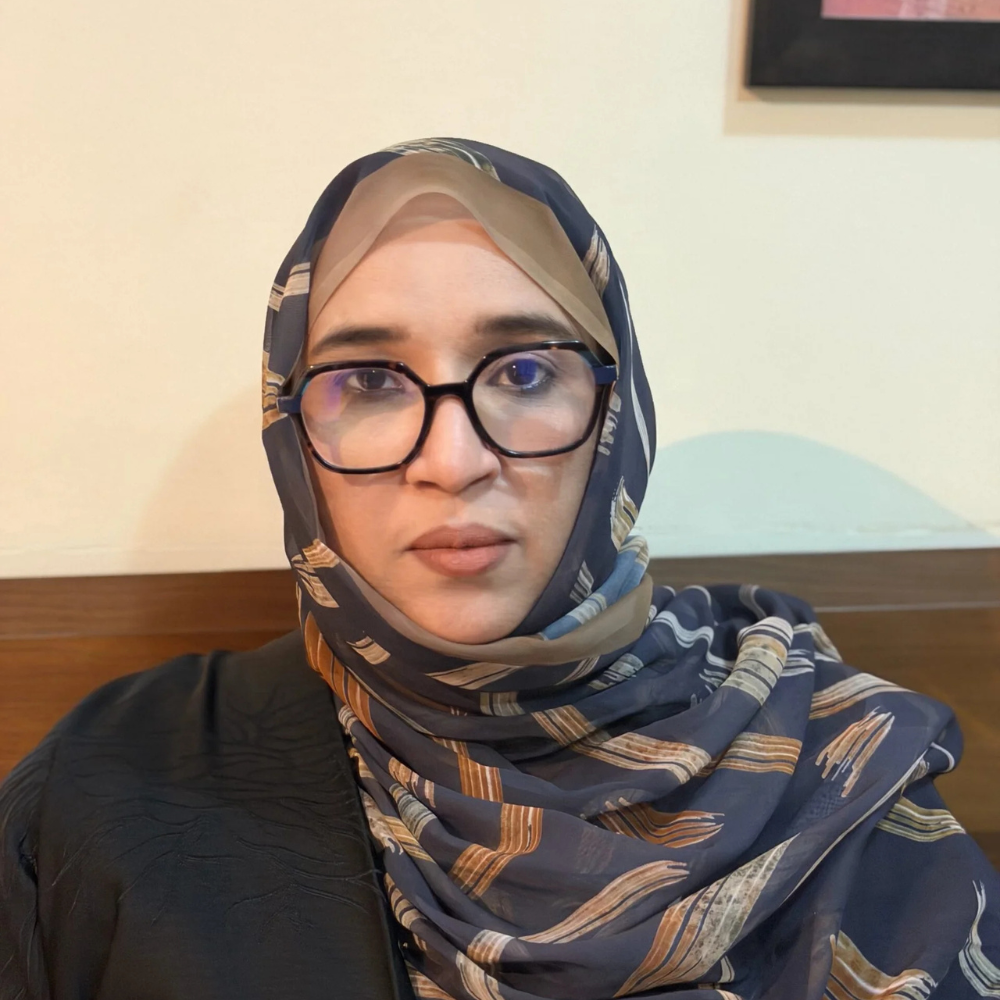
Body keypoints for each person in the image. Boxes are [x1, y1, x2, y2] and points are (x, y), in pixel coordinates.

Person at [1, 138, 998, 1000]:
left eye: (523, 371)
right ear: (293, 433)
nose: (452, 460)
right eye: (369, 381)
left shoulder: (838, 762)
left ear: (616, 416)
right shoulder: (112, 788)